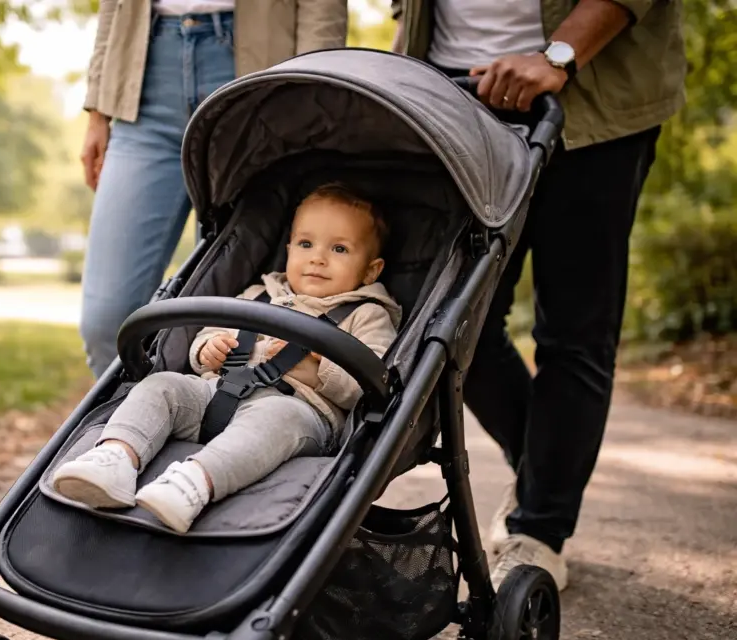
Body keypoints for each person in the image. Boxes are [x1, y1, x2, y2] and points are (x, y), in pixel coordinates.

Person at [390, 0, 686, 591]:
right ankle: (543, 474)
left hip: (590, 100)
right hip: (450, 96)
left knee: (575, 327)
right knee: (448, 322)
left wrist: (560, 54)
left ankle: (541, 528)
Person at [50, 183, 401, 533]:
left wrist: (316, 367)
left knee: (276, 418)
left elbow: (373, 382)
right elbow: (206, 336)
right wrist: (208, 349)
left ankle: (193, 483)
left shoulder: (367, 314)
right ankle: (117, 456)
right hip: (217, 392)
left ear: (370, 270)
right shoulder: (257, 295)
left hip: (299, 412)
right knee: (161, 385)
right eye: (306, 244)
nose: (318, 258)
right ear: (289, 248)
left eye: (339, 249)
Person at [78, 0, 349, 379]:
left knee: (224, 315)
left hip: (258, 75)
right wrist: (97, 109)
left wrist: (317, 82)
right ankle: (136, 425)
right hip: (144, 84)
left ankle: (197, 421)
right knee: (107, 320)